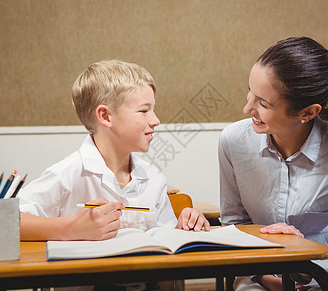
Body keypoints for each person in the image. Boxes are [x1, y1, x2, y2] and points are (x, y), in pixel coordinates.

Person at [219, 37, 328, 291]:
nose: (247, 108)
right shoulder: (233, 141)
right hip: (262, 275)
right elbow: (235, 223)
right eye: (250, 93)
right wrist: (267, 277)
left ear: (308, 113)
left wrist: (304, 266)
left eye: (263, 104)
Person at [18, 60, 209, 289]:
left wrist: (184, 229)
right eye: (144, 110)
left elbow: (165, 241)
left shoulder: (153, 177)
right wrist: (72, 229)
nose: (155, 120)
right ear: (106, 117)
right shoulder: (68, 174)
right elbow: (8, 223)